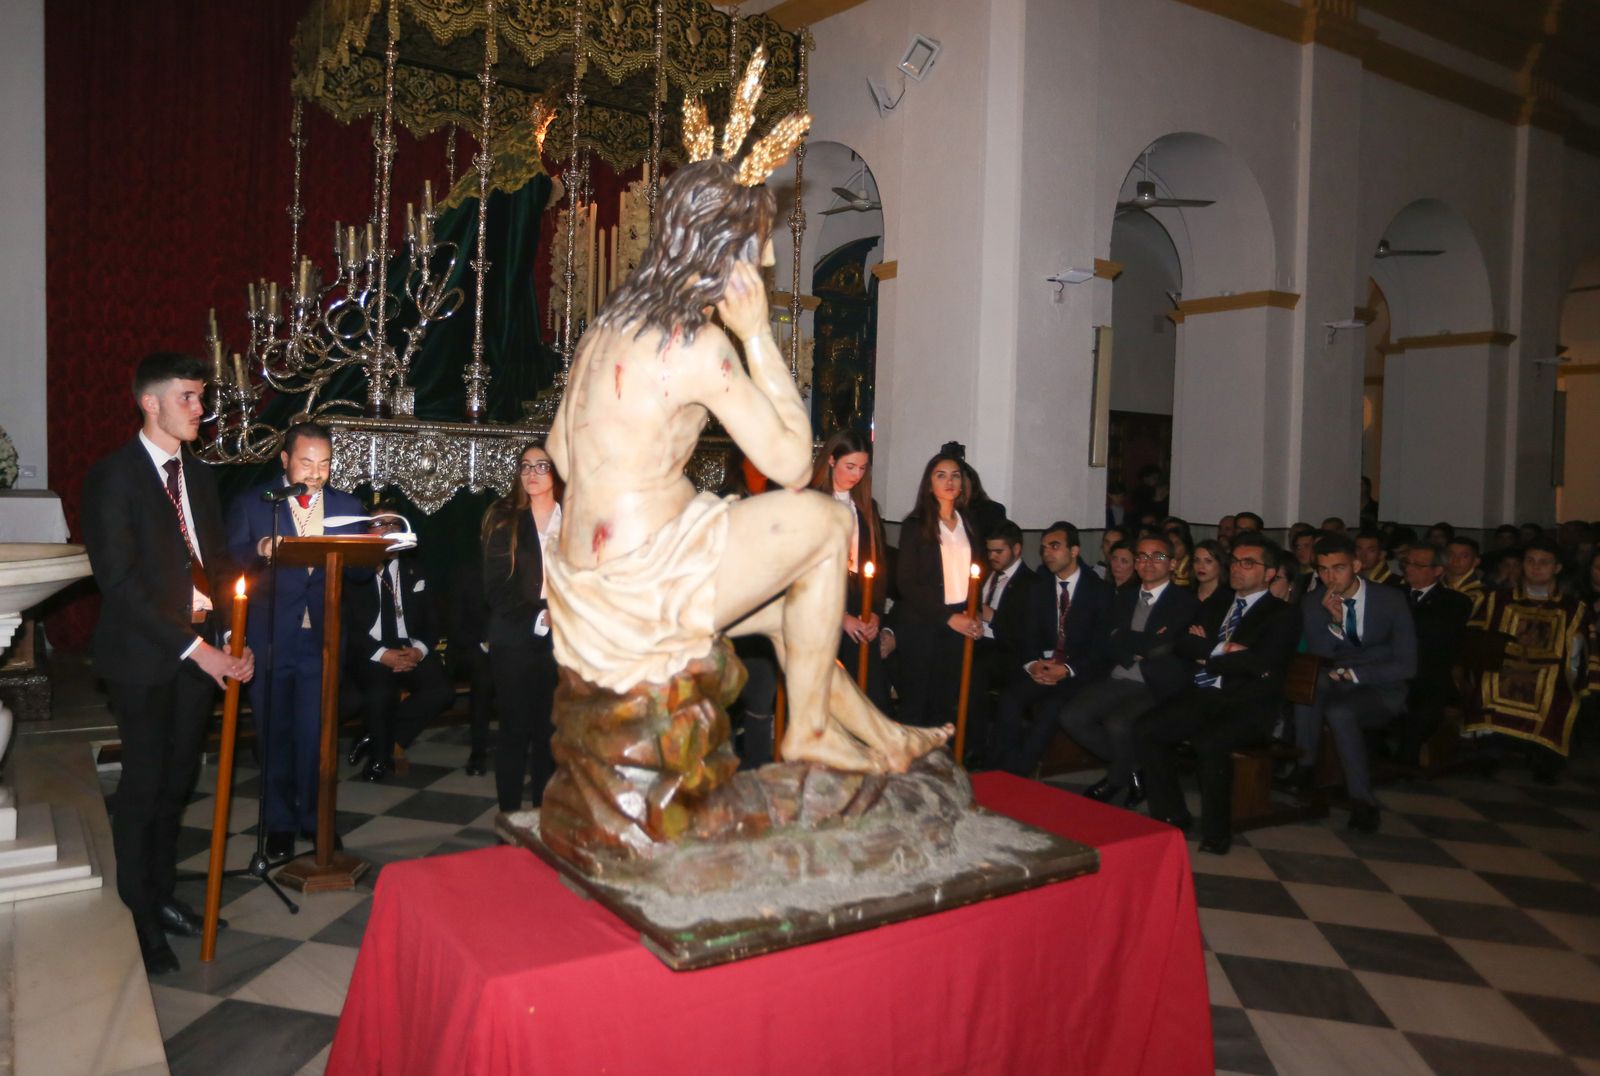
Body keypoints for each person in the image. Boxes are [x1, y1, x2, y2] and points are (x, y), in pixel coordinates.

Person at [544, 144, 948, 775]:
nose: (763, 259)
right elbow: (791, 466)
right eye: (754, 242)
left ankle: (887, 740)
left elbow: (559, 453)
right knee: (828, 521)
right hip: (643, 582)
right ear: (717, 246)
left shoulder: (605, 328)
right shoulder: (696, 344)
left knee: (797, 617)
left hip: (587, 577)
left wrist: (672, 504)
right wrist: (759, 335)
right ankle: (808, 732)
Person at [82, 352, 256, 975]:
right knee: (145, 784)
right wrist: (196, 647)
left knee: (178, 783)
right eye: (188, 397)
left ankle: (161, 893)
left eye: (200, 397)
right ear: (149, 403)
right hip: (143, 657)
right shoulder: (114, 478)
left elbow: (214, 566)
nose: (201, 409)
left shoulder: (201, 477)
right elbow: (121, 584)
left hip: (199, 653)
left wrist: (230, 634)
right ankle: (139, 915)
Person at [227, 422, 366, 859]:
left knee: (317, 735)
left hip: (322, 639)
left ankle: (316, 819)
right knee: (275, 734)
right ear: (285, 460)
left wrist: (371, 547)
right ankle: (280, 823)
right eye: (306, 462)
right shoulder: (256, 503)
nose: (315, 472)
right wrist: (260, 551)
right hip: (269, 637)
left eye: (324, 463)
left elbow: (361, 575)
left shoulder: (347, 505)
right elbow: (230, 564)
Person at [1134, 534, 1300, 855]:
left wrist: (1208, 651)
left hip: (1247, 704)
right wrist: (1222, 649)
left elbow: (1259, 662)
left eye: (1248, 563)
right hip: (1205, 694)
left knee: (1209, 742)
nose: (1238, 569)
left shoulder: (1281, 613)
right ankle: (1171, 813)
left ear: (1268, 573)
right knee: (1146, 729)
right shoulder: (1219, 601)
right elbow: (1183, 642)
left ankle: (1217, 831)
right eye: (1235, 562)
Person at [1287, 533, 1417, 833]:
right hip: (1336, 680)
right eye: (1322, 569)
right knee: (1310, 681)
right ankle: (1305, 763)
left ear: (1356, 565)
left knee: (1339, 711)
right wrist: (1333, 621)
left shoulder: (1391, 600)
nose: (1329, 577)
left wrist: (1354, 675)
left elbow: (1406, 665)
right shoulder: (1313, 601)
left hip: (1381, 687)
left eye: (1338, 568)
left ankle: (1363, 802)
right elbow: (1321, 655)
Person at [1059, 534, 1199, 807]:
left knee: (1118, 722)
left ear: (1172, 564)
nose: (1148, 563)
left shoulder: (1184, 601)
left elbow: (1163, 647)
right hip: (1120, 675)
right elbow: (1105, 638)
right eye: (1142, 557)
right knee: (1071, 716)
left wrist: (1126, 637)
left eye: (1157, 556)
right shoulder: (1123, 596)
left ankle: (1115, 779)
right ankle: (1134, 770)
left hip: (1157, 683)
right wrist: (1133, 643)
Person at [1464, 539, 1593, 782]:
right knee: (1487, 682)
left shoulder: (1572, 608)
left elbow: (1578, 649)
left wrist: (1570, 671)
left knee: (1556, 692)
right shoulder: (1497, 599)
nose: (1536, 568)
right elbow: (1478, 636)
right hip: (1503, 666)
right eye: (1530, 561)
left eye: (1544, 563)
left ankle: (1543, 756)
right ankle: (1490, 750)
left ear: (1557, 568)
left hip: (1549, 672)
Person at [991, 522, 1113, 775]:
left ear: (1075, 550)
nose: (1047, 553)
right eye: (1044, 547)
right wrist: (1033, 664)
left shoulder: (1098, 591)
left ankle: (1018, 774)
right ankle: (1004, 769)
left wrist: (1067, 669)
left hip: (1078, 671)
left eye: (1055, 546)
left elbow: (1101, 647)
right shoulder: (1039, 589)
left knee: (1051, 709)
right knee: (1010, 699)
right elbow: (1028, 637)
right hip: (1044, 666)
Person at [343, 504, 454, 782]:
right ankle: (379, 760)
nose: (388, 529)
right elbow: (347, 627)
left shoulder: (415, 571)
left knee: (441, 691)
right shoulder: (353, 573)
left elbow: (432, 621)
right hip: (370, 652)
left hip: (409, 646)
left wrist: (419, 651)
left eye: (394, 524)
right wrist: (382, 654)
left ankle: (377, 735)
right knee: (380, 691)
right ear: (365, 532)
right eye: (380, 524)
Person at [481, 444, 563, 813]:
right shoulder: (504, 518)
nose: (532, 473)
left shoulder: (576, 517)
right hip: (514, 635)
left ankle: (545, 818)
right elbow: (496, 588)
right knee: (514, 731)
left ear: (557, 472)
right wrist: (543, 615)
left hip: (564, 640)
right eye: (526, 466)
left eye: (541, 466)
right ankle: (510, 818)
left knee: (551, 732)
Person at [893, 452, 984, 730]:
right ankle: (907, 771)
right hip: (924, 622)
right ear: (929, 483)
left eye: (955, 475)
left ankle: (937, 769)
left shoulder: (968, 522)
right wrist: (947, 617)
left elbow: (976, 572)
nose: (949, 481)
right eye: (941, 475)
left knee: (944, 704)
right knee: (916, 704)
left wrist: (974, 611)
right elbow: (906, 583)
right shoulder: (916, 525)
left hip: (959, 619)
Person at [809, 430, 889, 708]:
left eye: (863, 468)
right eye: (850, 466)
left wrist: (875, 612)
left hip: (859, 598)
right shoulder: (812, 501)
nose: (856, 475)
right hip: (821, 605)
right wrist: (840, 617)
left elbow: (877, 565)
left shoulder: (867, 507)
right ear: (831, 460)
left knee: (870, 693)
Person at [965, 520, 1042, 766]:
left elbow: (1026, 631)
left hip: (1008, 650)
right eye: (989, 551)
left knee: (976, 670)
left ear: (1017, 549)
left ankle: (976, 746)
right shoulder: (986, 573)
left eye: (999, 551)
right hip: (979, 640)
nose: (992, 556)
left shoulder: (1031, 583)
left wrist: (992, 617)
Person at [1397, 543, 1472, 766]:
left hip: (1429, 676)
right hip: (1393, 671)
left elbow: (1436, 641)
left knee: (1421, 705)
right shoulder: (1394, 593)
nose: (1409, 569)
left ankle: (1406, 764)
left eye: (1418, 565)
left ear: (1438, 570)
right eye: (1407, 563)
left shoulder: (1454, 601)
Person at [1444, 536, 1486, 619]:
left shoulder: (1484, 595)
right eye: (1451, 555)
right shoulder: (1434, 586)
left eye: (1464, 556)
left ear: (1476, 561)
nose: (1456, 560)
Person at [1191, 539, 1230, 606]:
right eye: (1197, 560)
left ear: (1221, 564)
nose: (1200, 566)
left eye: (1208, 561)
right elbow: (1166, 555)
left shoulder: (1229, 599)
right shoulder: (1185, 594)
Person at [1164, 520, 1195, 588]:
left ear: (1186, 545)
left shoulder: (1193, 565)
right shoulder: (1161, 558)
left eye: (1177, 543)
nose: (1173, 547)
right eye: (1170, 543)